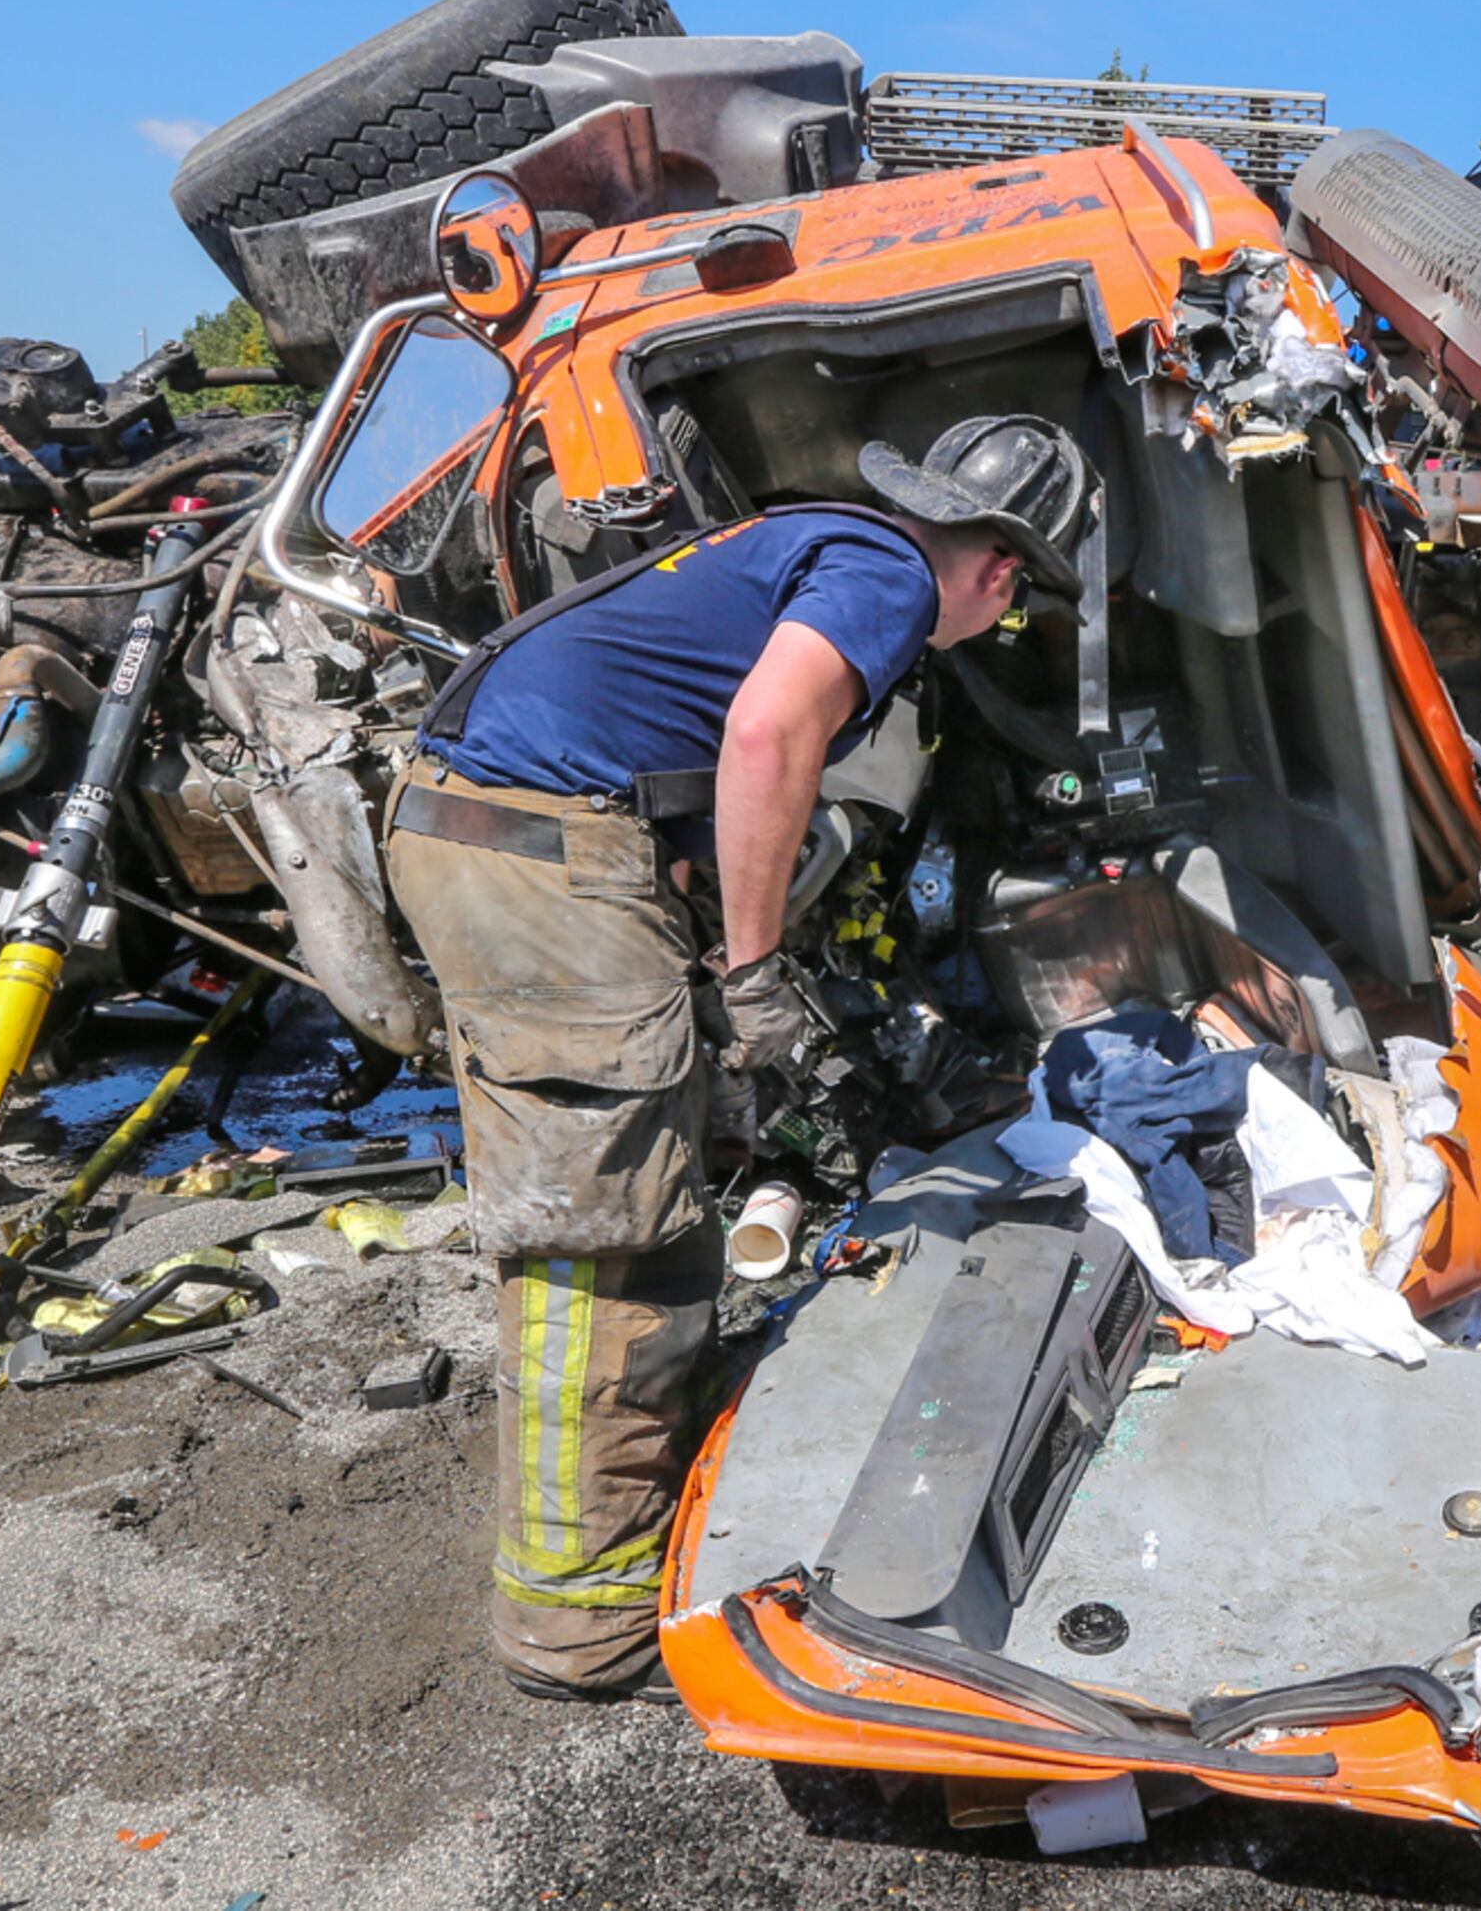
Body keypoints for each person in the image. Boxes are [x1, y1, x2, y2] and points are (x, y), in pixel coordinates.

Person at [383, 414, 1094, 1700]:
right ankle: (576, 1632)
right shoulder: (886, 581)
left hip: (515, 829)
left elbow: (689, 736)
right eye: (1020, 595)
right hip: (532, 848)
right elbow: (766, 741)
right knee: (596, 1231)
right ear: (998, 568)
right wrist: (755, 970)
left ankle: (651, 1492)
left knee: (648, 1191)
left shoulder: (814, 539)